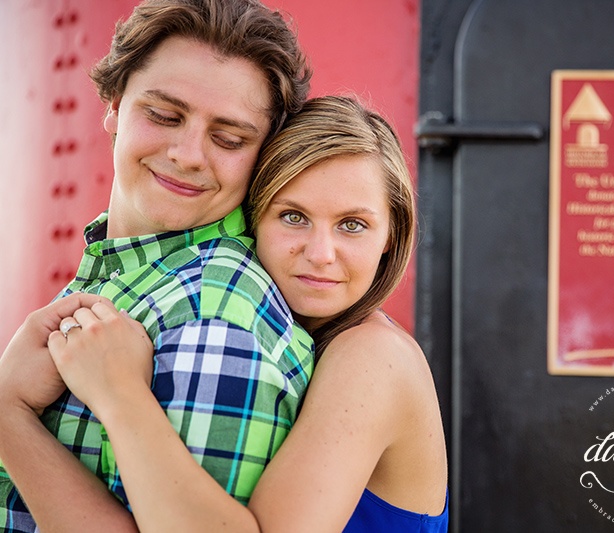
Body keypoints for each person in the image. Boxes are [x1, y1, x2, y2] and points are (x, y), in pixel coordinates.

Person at [47, 95, 450, 532]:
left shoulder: (374, 357)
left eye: (352, 225)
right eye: (293, 216)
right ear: (255, 218)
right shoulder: (287, 334)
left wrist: (120, 393)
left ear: (391, 235)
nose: (320, 254)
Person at [0, 0, 313, 531]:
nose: (188, 154)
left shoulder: (216, 313)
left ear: (263, 155)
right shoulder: (125, 273)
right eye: (164, 115)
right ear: (115, 106)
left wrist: (7, 415)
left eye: (228, 138)